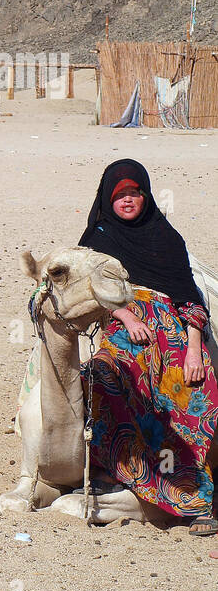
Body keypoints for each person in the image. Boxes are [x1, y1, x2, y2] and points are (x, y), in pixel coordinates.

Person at [79, 159, 218, 534]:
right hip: (124, 324)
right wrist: (126, 316)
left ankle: (195, 494)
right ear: (108, 198)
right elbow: (87, 288)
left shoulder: (166, 237)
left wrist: (192, 349)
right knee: (105, 374)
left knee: (196, 389)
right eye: (119, 194)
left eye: (134, 193)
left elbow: (189, 299)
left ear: (145, 195)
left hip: (169, 327)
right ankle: (117, 471)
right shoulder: (98, 239)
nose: (127, 200)